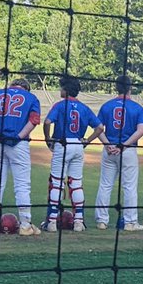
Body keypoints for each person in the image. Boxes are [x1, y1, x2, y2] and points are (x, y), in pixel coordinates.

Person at [42, 75, 103, 232]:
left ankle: (51, 222)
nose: (60, 90)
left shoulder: (60, 105)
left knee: (56, 182)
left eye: (61, 88)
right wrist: (87, 141)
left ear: (66, 90)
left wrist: (48, 139)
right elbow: (100, 128)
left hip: (62, 144)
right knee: (76, 183)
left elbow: (47, 122)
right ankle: (78, 222)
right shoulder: (84, 108)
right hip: (77, 145)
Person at [0, 78, 41, 235]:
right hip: (19, 144)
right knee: (22, 185)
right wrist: (19, 136)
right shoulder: (31, 97)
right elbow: (34, 120)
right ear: (26, 88)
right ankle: (25, 225)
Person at [95, 75, 143, 230]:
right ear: (130, 87)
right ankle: (130, 222)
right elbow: (141, 130)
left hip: (109, 151)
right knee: (129, 187)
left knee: (105, 185)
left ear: (116, 87)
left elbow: (98, 129)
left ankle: (101, 221)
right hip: (128, 150)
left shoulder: (106, 106)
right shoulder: (137, 108)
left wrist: (107, 144)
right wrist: (124, 145)